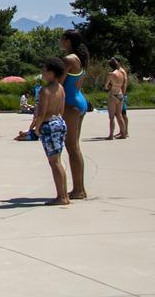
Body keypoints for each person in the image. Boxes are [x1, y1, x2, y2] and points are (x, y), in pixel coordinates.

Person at [30, 57, 70, 206]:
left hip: (49, 124)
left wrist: (37, 128)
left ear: (51, 73)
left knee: (54, 163)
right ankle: (64, 194)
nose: (42, 73)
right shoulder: (61, 88)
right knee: (58, 161)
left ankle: (62, 197)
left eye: (45, 70)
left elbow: (41, 112)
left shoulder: (45, 90)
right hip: (59, 122)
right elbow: (61, 109)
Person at [59, 29, 89, 200]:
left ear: (68, 41)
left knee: (72, 147)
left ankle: (79, 189)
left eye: (62, 39)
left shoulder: (69, 59)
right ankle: (79, 188)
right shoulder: (80, 58)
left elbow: (59, 84)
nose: (60, 41)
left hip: (71, 104)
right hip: (80, 101)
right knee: (74, 146)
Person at [105, 58, 127, 140]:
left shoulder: (111, 74)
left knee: (111, 117)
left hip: (113, 94)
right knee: (119, 115)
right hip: (120, 94)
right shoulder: (121, 73)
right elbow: (123, 83)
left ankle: (111, 135)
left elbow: (106, 86)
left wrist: (109, 86)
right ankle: (123, 134)